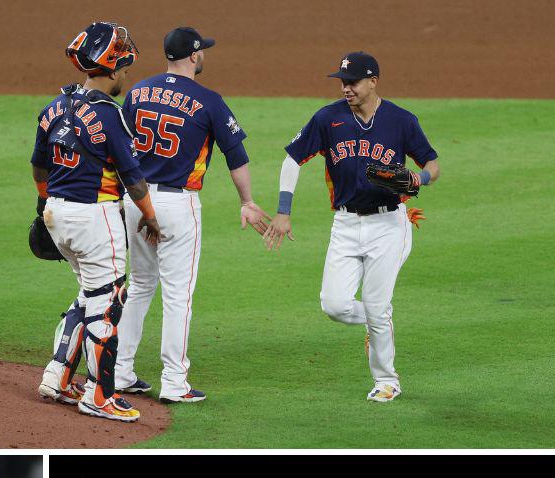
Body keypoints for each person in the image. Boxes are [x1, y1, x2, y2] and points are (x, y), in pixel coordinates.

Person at [264, 51, 439, 402]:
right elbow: (292, 159)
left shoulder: (401, 120)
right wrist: (283, 211)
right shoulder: (328, 119)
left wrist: (418, 179)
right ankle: (378, 320)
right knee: (334, 305)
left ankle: (387, 380)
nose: (346, 88)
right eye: (343, 82)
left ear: (373, 82)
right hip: (344, 223)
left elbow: (432, 164)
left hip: (389, 224)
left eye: (353, 82)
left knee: (376, 304)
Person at [115, 27, 269, 403]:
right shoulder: (209, 101)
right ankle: (174, 382)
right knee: (177, 294)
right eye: (204, 52)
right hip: (176, 205)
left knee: (140, 285)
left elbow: (120, 148)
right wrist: (247, 201)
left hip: (136, 200)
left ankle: (119, 371)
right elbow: (237, 158)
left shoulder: (137, 91)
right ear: (195, 55)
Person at [32, 21, 165, 423]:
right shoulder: (110, 115)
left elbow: (40, 167)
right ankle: (99, 395)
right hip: (94, 217)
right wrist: (151, 217)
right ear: (112, 69)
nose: (126, 75)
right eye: (124, 68)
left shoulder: (54, 107)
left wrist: (44, 206)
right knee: (108, 303)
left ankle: (58, 375)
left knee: (89, 294)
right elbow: (133, 179)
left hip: (57, 214)